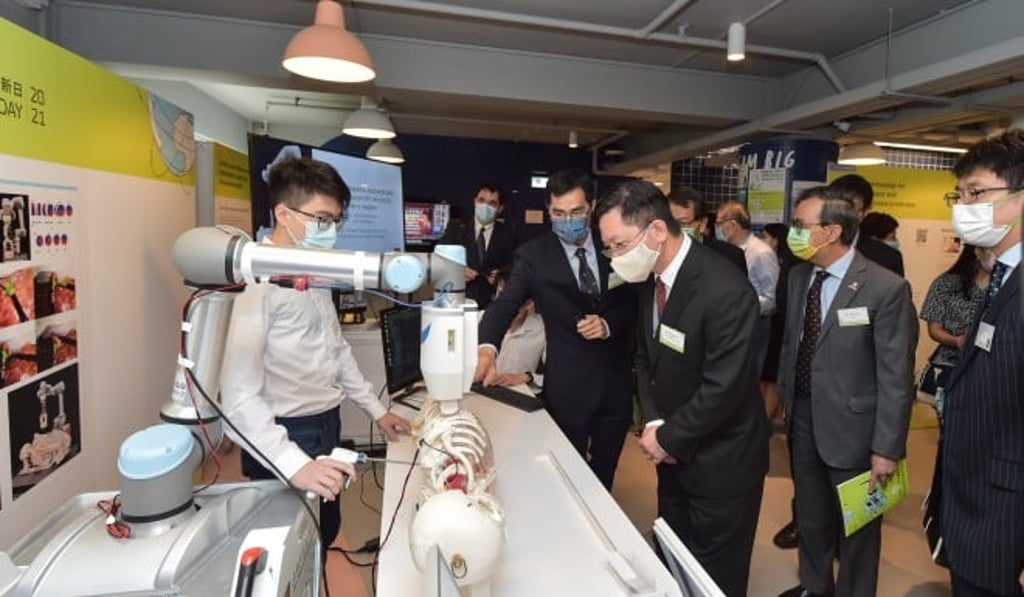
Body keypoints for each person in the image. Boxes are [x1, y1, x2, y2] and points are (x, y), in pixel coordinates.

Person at [220, 157, 411, 552]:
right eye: (322, 220)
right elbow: (238, 397)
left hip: (326, 422)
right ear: (284, 214)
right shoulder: (255, 282)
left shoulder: (311, 269)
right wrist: (295, 464)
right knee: (285, 549)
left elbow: (335, 349)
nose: (331, 231)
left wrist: (378, 411)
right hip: (283, 432)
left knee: (323, 533)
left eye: (335, 221)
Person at [594, 180, 768, 597]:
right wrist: (655, 423)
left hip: (722, 461)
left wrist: (669, 436)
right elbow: (644, 358)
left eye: (619, 245)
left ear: (656, 231)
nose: (615, 258)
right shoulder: (648, 281)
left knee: (714, 577)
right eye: (609, 249)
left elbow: (724, 387)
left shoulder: (724, 289)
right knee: (673, 555)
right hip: (670, 450)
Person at [776, 186, 917, 597]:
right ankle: (815, 589)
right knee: (812, 519)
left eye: (801, 225)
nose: (793, 232)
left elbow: (895, 375)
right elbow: (792, 343)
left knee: (857, 532)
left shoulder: (884, 287)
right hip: (803, 420)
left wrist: (887, 448)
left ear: (832, 231)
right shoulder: (800, 276)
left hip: (857, 432)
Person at [475, 169, 637, 489]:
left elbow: (634, 302)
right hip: (568, 384)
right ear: (549, 211)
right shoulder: (534, 256)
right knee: (566, 469)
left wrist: (608, 324)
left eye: (576, 212)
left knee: (605, 470)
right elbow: (505, 305)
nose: (568, 220)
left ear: (591, 207)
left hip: (615, 381)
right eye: (559, 213)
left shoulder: (615, 246)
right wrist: (487, 348)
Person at [940, 129, 1024, 597]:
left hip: (1006, 518)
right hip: (979, 507)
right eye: (961, 193)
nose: (964, 205)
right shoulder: (1001, 276)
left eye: (977, 193)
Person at [918, 244, 990, 405]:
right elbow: (934, 329)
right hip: (951, 364)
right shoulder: (945, 283)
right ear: (977, 252)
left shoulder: (1006, 285)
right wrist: (957, 341)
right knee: (952, 421)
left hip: (992, 365)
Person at [441, 182, 517, 309]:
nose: (485, 206)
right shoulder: (455, 228)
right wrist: (456, 271)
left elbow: (515, 265)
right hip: (458, 300)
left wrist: (502, 275)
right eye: (481, 200)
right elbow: (439, 260)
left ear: (500, 208)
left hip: (493, 304)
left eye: (492, 203)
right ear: (475, 201)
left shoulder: (508, 234)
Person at [829, 174, 905, 276]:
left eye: (850, 209)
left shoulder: (887, 259)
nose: (841, 215)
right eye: (834, 207)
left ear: (866, 211)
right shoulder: (808, 251)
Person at [665, 186, 747, 274]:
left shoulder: (729, 257)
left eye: (682, 223)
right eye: (669, 222)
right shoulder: (658, 255)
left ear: (702, 224)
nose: (674, 229)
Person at [491, 268, 546, 390]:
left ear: (530, 303)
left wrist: (529, 377)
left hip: (519, 395)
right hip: (478, 392)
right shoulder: (476, 320)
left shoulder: (544, 329)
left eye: (511, 298)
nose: (502, 303)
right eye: (499, 294)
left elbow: (561, 375)